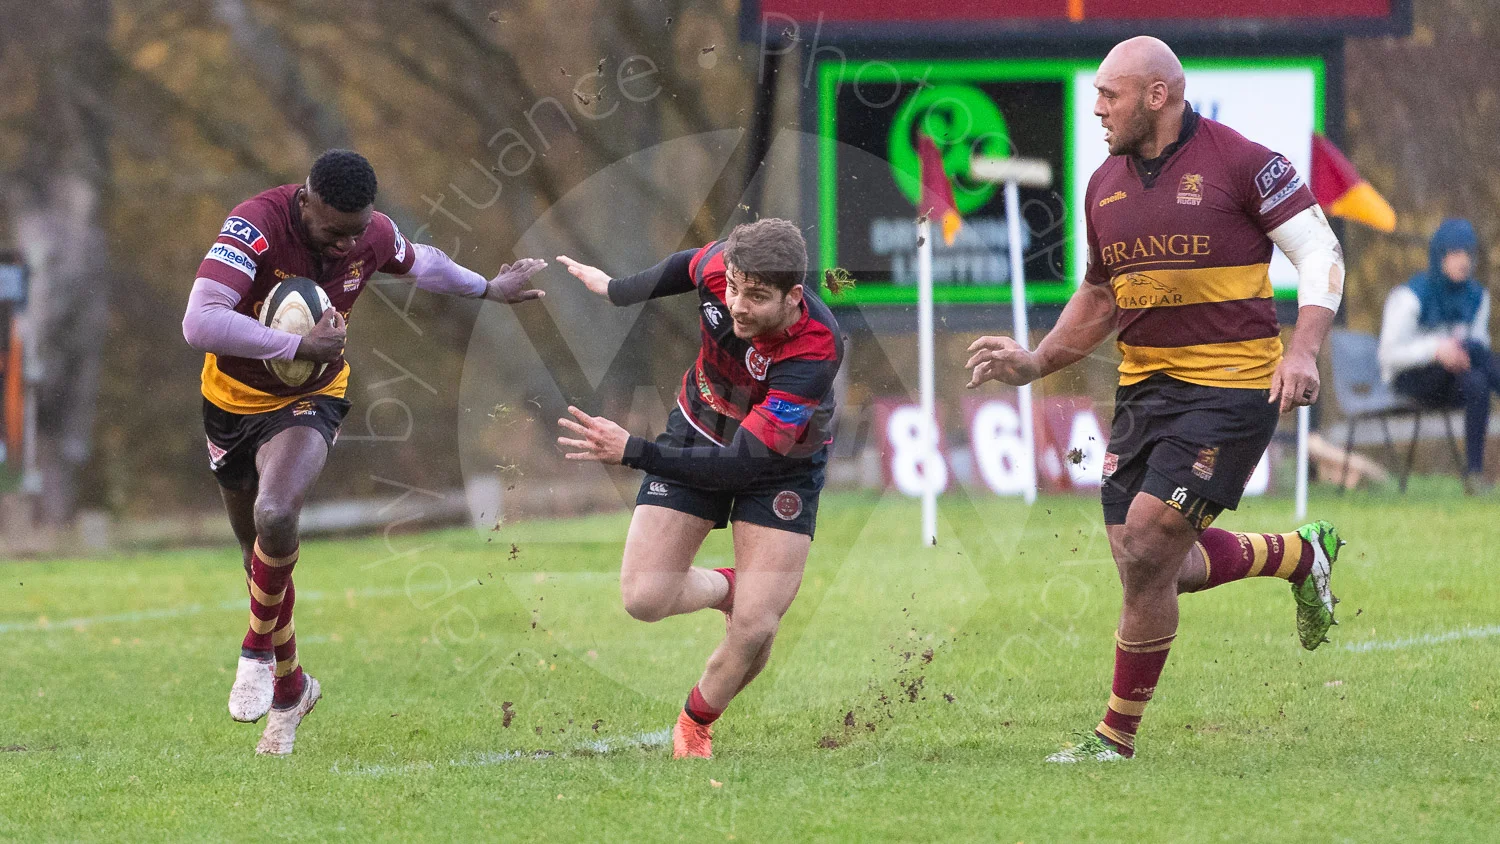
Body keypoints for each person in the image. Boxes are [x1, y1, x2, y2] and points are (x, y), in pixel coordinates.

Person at [965, 37, 1348, 763]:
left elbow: (1320, 252)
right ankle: (1300, 555)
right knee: (1151, 563)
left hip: (1233, 386)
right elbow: (1100, 294)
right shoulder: (1104, 184)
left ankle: (1114, 738)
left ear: (1156, 95)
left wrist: (1302, 349)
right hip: (1144, 392)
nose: (1098, 107)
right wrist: (1037, 359)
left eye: (1110, 94)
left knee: (1146, 544)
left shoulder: (1243, 161)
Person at [182, 149, 546, 755]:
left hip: (311, 398)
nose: (343, 246)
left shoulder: (368, 235)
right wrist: (296, 342)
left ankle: (254, 651)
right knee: (257, 557)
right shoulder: (254, 226)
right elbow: (200, 323)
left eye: (355, 233)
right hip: (229, 399)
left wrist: (489, 287)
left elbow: (423, 264)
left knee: (277, 515)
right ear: (305, 200)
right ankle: (292, 686)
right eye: (332, 231)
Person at [553, 218, 843, 759]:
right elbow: (685, 264)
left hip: (780, 465)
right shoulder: (720, 267)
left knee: (756, 628)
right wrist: (614, 290)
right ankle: (735, 587)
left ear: (793, 297)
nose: (737, 305)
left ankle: (694, 723)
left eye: (756, 297)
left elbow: (739, 468)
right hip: (698, 423)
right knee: (643, 598)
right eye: (734, 288)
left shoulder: (815, 350)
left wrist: (632, 450)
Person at [1379, 218, 1498, 494]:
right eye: (1455, 253)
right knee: (1482, 367)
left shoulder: (1478, 298)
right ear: (1439, 256)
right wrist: (1435, 350)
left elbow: (1479, 344)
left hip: (1459, 379)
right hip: (1414, 380)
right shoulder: (1410, 297)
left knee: (1479, 379)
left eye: (1468, 253)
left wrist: (1461, 353)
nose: (1463, 261)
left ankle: (1475, 475)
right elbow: (1389, 356)